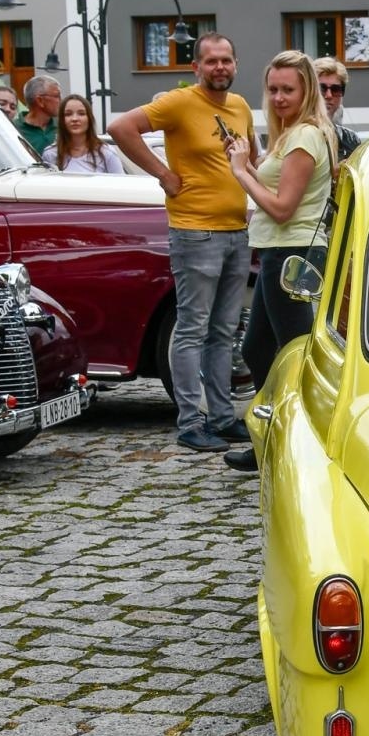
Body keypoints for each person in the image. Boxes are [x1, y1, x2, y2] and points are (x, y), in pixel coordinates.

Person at [109, 32, 256, 453]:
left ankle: (223, 417)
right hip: (195, 231)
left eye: (226, 60)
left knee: (224, 330)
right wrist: (163, 174)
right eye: (211, 61)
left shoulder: (240, 106)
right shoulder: (179, 103)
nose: (220, 67)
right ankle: (191, 421)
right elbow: (120, 128)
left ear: (235, 63)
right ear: (196, 67)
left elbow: (251, 160)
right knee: (192, 327)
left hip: (236, 230)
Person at [221, 50, 337, 473]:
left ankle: (302, 440)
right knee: (259, 348)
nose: (279, 97)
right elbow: (278, 194)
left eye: (288, 89)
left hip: (292, 252)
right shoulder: (292, 135)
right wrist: (245, 161)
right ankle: (271, 437)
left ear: (307, 91)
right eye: (272, 89)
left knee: (295, 354)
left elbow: (283, 208)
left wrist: (241, 172)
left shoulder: (304, 136)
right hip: (281, 250)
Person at [42, 94, 125, 173]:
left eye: (81, 114)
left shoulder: (106, 152)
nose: (74, 119)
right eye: (68, 114)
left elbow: (120, 182)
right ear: (61, 120)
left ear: (89, 118)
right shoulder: (50, 154)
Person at [312, 56, 361, 161]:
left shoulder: (351, 140)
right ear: (310, 91)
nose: (329, 95)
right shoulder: (297, 135)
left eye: (336, 89)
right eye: (322, 88)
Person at [15, 75, 62, 155]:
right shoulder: (14, 129)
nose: (61, 100)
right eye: (57, 96)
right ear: (40, 100)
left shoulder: (63, 125)